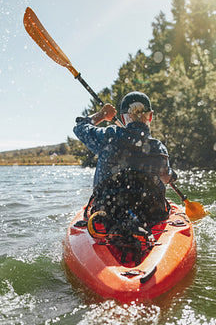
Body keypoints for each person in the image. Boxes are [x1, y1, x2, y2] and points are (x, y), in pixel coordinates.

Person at [73, 91, 177, 226]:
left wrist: (102, 115)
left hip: (108, 215)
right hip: (150, 217)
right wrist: (172, 175)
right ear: (150, 116)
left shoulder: (108, 136)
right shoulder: (159, 149)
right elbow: (165, 176)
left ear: (122, 117)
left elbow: (79, 128)